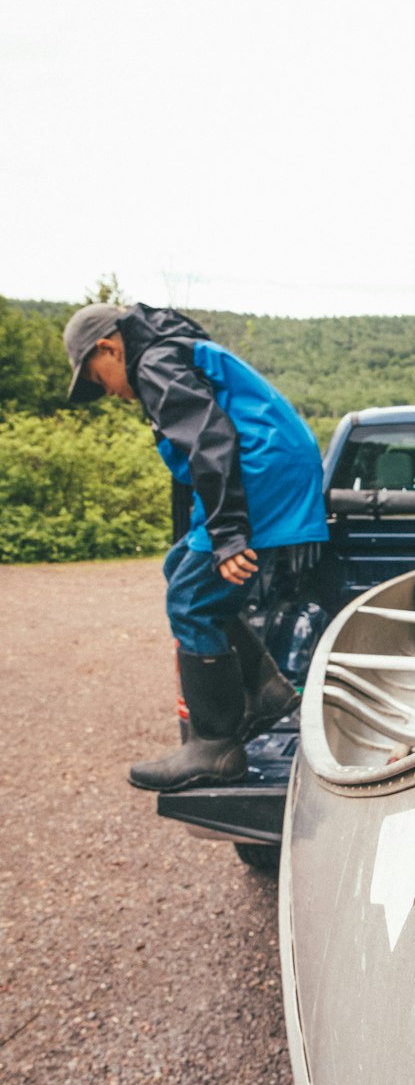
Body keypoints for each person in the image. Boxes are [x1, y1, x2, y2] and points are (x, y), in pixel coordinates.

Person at [63, 301, 329, 793]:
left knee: (189, 601)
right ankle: (267, 688)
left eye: (99, 379)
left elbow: (210, 436)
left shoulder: (153, 361)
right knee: (180, 569)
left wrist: (229, 537)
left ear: (109, 347)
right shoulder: (170, 351)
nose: (108, 392)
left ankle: (214, 747)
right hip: (266, 463)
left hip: (258, 467)